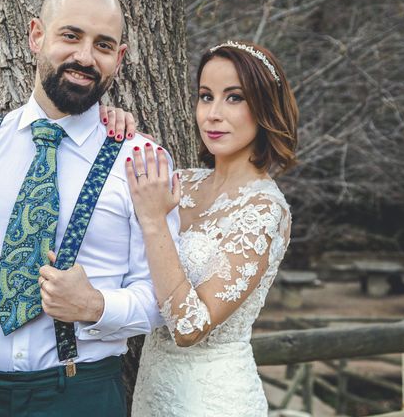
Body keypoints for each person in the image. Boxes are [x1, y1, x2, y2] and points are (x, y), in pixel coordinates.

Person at [0, 0, 179, 417]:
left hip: (81, 397)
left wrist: (95, 305)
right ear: (36, 35)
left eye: (103, 45)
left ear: (118, 59)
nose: (84, 57)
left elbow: (163, 296)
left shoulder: (142, 161)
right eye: (70, 35)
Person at [104, 40, 298, 415]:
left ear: (265, 108)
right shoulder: (183, 183)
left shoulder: (264, 210)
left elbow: (190, 327)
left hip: (213, 399)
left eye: (234, 98)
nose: (213, 114)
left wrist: (155, 221)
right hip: (151, 391)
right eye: (206, 96)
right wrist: (110, 126)